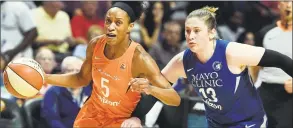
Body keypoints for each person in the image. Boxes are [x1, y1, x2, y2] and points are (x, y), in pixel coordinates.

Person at [129, 6, 292, 128]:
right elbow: (156, 89)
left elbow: (281, 60)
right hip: (216, 123)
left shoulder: (232, 52)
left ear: (211, 32)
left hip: (248, 122)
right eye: (187, 31)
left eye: (197, 31)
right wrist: (136, 117)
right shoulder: (182, 61)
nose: (190, 36)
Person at [44, 1, 180, 128]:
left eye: (118, 23)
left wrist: (150, 89)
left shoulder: (140, 59)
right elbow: (81, 79)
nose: (111, 27)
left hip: (120, 121)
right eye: (108, 21)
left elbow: (174, 99)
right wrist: (45, 78)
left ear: (130, 26)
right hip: (90, 117)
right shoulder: (95, 44)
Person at [254, 1, 292, 128]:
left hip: (289, 96)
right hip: (266, 92)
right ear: (278, 4)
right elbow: (255, 64)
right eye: (286, 1)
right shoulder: (265, 32)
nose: (289, 5)